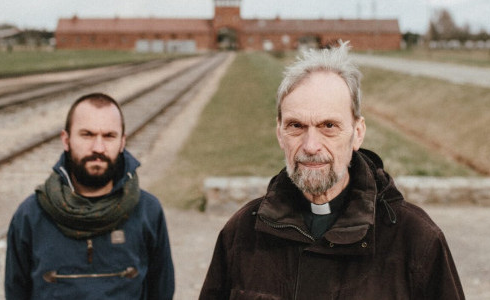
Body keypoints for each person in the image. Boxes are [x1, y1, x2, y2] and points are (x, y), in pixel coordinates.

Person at [199, 42, 465, 299]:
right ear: (280, 133)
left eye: (328, 126)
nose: (311, 146)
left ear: (357, 133)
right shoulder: (243, 233)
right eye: (296, 126)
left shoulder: (416, 240)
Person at [5, 93, 175, 299]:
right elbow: (16, 292)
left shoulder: (147, 212)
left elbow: (161, 291)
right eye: (87, 134)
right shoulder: (30, 216)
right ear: (66, 140)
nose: (98, 148)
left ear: (122, 142)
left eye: (109, 136)